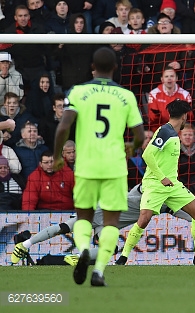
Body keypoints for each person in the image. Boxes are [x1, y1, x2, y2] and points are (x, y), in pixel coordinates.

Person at [52, 47, 145, 286]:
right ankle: (99, 271)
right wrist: (131, 147)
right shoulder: (126, 96)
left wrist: (57, 156)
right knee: (111, 222)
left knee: (84, 216)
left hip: (87, 165)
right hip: (114, 166)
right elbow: (139, 133)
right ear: (115, 68)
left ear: (92, 67)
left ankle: (83, 248)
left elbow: (63, 127)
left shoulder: (79, 92)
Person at [10, 183, 195, 265]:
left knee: (112, 248)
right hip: (102, 209)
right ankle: (25, 245)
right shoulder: (144, 189)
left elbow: (190, 215)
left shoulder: (165, 203)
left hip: (109, 222)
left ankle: (79, 257)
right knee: (65, 227)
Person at [116, 99, 195, 267]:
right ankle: (123, 258)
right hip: (155, 184)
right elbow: (147, 155)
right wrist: (162, 177)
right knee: (143, 220)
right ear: (184, 116)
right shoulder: (165, 132)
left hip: (173, 185)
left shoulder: (173, 134)